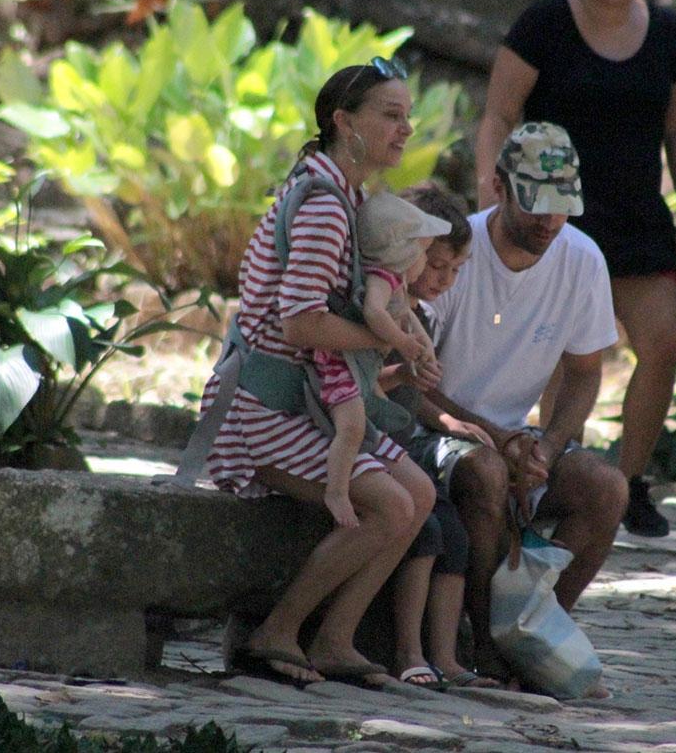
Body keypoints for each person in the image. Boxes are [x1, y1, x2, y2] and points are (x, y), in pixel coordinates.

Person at [198, 58, 436, 687]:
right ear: (343, 122)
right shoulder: (328, 206)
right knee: (388, 505)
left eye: (407, 116)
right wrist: (394, 345)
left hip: (310, 400)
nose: (405, 129)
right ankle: (276, 633)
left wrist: (399, 335)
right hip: (263, 407)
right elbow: (300, 323)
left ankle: (335, 639)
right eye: (391, 114)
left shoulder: (341, 193)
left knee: (421, 493)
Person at [474, 0, 676, 538]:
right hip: (553, 219)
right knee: (558, 356)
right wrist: (494, 195)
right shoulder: (543, 26)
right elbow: (497, 114)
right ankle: (549, 476)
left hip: (638, 216)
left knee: (661, 346)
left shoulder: (668, 34)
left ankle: (628, 482)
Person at [417, 122, 628, 685]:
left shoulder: (582, 260)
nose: (549, 222)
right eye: (535, 205)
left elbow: (585, 372)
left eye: (561, 208)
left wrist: (548, 445)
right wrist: (496, 438)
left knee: (606, 487)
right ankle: (486, 643)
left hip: (517, 437)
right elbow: (410, 384)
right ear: (498, 187)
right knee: (485, 471)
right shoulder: (455, 253)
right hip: (439, 429)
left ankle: (537, 630)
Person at [383, 186, 503, 689]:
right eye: (436, 267)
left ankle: (447, 657)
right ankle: (409, 653)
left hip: (405, 440)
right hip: (374, 444)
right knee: (426, 530)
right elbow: (372, 381)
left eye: (455, 272)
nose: (444, 281)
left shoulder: (422, 314)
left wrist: (447, 422)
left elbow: (416, 393)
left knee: (453, 533)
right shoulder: (384, 310)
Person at [317, 190, 448, 531]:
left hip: (363, 370)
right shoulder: (382, 278)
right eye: (424, 252)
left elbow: (406, 315)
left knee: (369, 423)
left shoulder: (396, 283)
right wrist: (402, 342)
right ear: (402, 253)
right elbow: (376, 313)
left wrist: (422, 343)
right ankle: (336, 489)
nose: (424, 260)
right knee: (353, 426)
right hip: (342, 367)